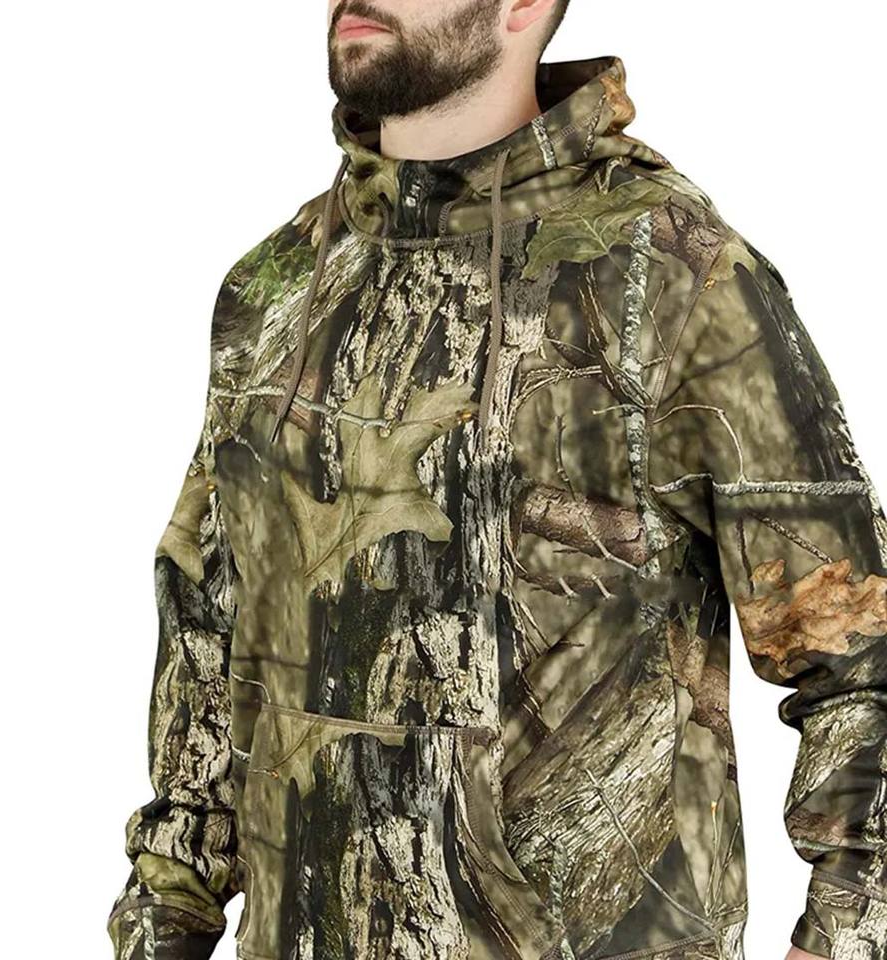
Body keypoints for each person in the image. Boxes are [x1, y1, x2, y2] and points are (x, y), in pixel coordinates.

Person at [105, 2, 887, 958]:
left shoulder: (673, 274)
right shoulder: (276, 288)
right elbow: (204, 629)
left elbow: (858, 654)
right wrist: (167, 916)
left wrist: (845, 929)